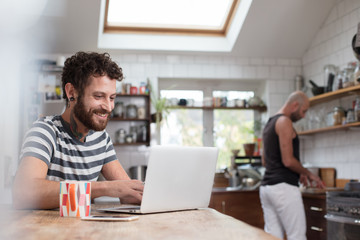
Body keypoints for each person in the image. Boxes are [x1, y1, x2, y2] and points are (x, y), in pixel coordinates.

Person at [12, 52, 144, 209]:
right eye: (99, 96)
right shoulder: (45, 131)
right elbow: (23, 193)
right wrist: (105, 188)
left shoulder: (101, 139)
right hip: (44, 230)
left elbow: (128, 193)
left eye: (112, 98)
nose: (108, 107)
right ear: (71, 93)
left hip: (81, 231)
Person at [259, 91, 325, 240]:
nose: (303, 116)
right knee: (297, 236)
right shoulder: (284, 121)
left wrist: (298, 172)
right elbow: (288, 161)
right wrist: (309, 173)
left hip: (267, 188)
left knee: (272, 236)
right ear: (295, 105)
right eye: (304, 111)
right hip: (283, 188)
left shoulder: (269, 122)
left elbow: (265, 161)